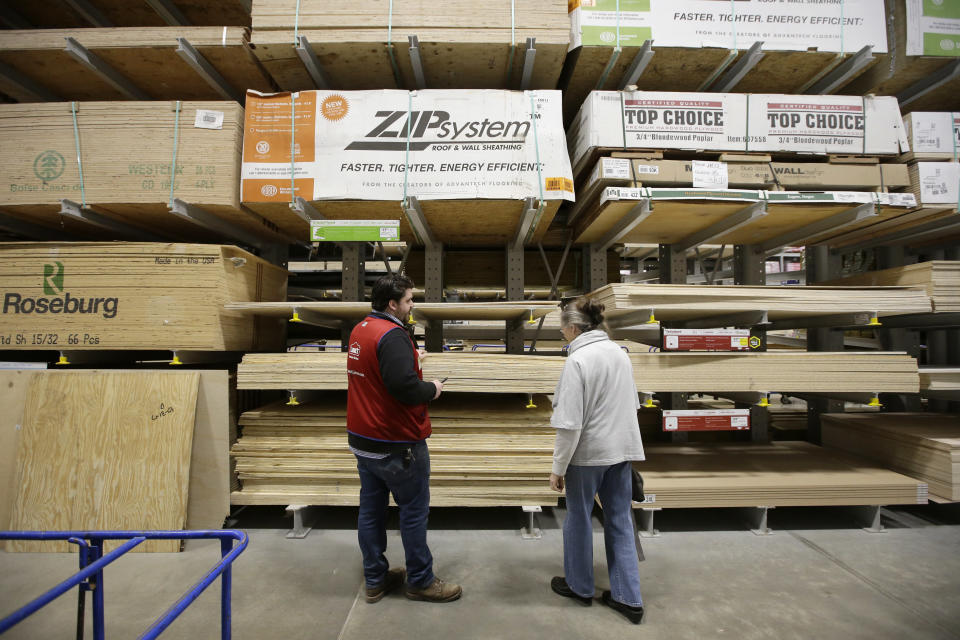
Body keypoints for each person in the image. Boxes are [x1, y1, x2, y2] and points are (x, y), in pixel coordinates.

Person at [346, 273, 462, 604]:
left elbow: (378, 369)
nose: (412, 306)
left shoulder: (362, 329)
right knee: (412, 511)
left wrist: (411, 359)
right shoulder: (393, 336)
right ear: (392, 303)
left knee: (371, 509)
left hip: (363, 440)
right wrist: (434, 388)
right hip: (395, 442)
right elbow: (406, 389)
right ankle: (421, 581)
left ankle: (375, 578)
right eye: (409, 301)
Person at [548, 296, 646, 624]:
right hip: (621, 452)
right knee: (619, 520)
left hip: (587, 455)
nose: (561, 331)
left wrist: (558, 468)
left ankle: (579, 586)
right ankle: (628, 598)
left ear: (574, 327)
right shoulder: (619, 354)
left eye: (562, 325)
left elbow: (569, 423)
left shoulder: (578, 361)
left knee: (578, 518)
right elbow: (632, 404)